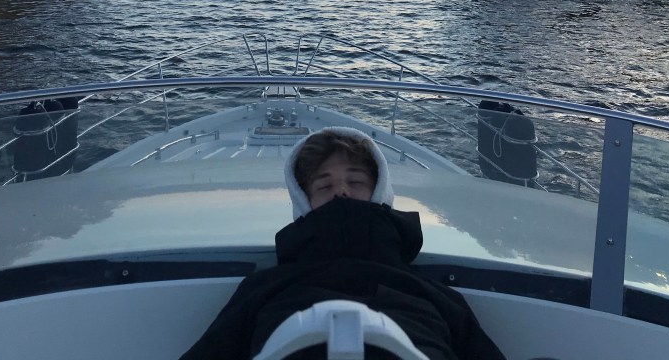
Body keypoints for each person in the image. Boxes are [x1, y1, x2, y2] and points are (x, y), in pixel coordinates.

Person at [178, 126, 507, 360]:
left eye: (356, 181)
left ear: (379, 192)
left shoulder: (435, 294)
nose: (341, 191)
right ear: (304, 202)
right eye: (324, 186)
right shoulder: (264, 287)